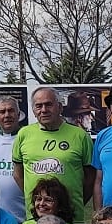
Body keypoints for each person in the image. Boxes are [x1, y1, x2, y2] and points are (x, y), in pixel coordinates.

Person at [15, 86, 99, 215]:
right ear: (33, 110)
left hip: (71, 216)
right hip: (36, 216)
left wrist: (75, 203)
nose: (44, 110)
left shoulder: (80, 135)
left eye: (49, 104)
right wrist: (32, 198)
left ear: (60, 107)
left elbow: (90, 177)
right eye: (39, 106)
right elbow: (18, 174)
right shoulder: (24, 134)